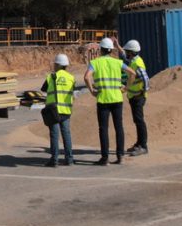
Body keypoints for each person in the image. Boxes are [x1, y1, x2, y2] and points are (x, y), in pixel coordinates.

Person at [84, 37, 135, 165]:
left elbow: (86, 77)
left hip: (103, 99)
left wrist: (91, 91)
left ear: (101, 50)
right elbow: (132, 73)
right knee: (119, 128)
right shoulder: (117, 62)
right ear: (111, 50)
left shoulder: (95, 63)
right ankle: (120, 156)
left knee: (103, 129)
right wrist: (127, 87)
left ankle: (105, 158)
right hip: (117, 99)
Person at [115, 39, 150, 156]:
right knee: (137, 120)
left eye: (127, 51)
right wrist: (118, 46)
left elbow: (145, 79)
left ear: (132, 52)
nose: (126, 53)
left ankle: (143, 146)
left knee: (139, 121)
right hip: (134, 96)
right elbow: (124, 57)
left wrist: (142, 92)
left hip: (138, 97)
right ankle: (139, 143)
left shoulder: (137, 63)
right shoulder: (133, 60)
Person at [41, 53, 76, 167]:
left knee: (54, 135)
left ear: (58, 65)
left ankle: (54, 160)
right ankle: (69, 159)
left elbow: (44, 89)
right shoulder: (71, 78)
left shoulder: (51, 77)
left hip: (53, 111)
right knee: (66, 134)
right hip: (66, 111)